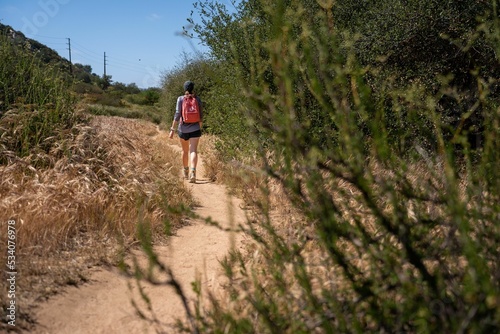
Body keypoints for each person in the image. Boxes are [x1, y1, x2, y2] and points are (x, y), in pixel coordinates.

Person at [168, 80, 203, 183]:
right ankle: (193, 172)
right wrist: (199, 127)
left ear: (184, 88)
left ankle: (186, 171)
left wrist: (172, 129)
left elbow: (177, 115)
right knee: (193, 151)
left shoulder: (180, 99)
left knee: (184, 151)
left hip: (183, 129)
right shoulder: (197, 99)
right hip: (195, 128)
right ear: (193, 88)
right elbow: (201, 115)